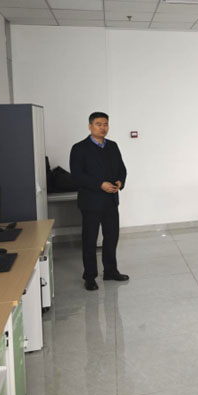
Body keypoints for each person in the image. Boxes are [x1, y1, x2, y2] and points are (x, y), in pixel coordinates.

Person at [69, 111, 128, 291]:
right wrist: (100, 184)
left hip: (111, 200)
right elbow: (77, 175)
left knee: (111, 237)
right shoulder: (79, 148)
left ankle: (110, 271)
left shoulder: (113, 146)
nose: (103, 128)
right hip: (91, 202)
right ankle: (90, 276)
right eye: (98, 124)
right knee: (90, 240)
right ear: (90, 126)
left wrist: (120, 182)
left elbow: (122, 169)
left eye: (105, 124)